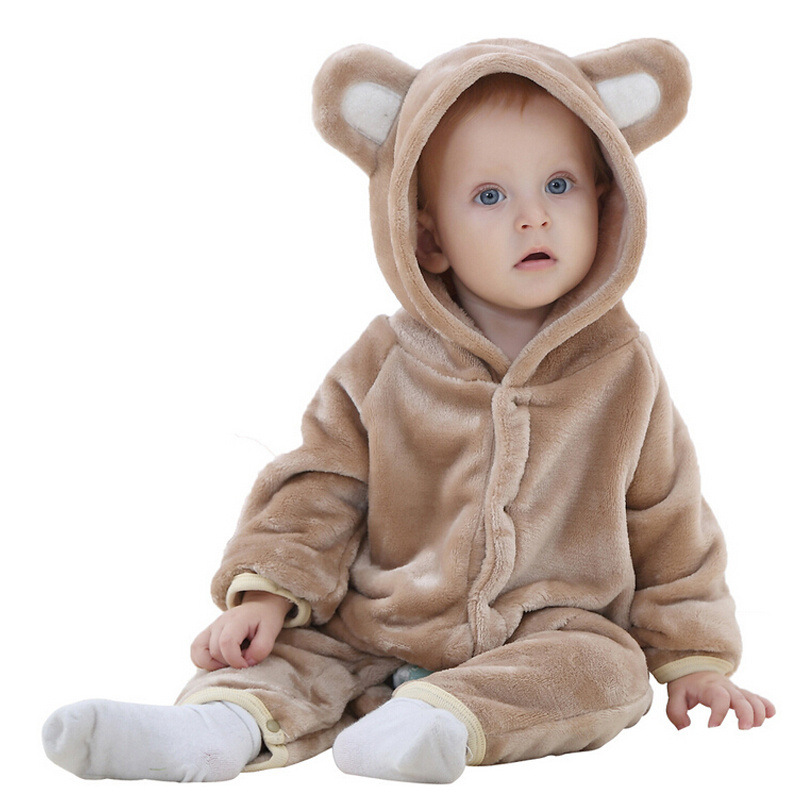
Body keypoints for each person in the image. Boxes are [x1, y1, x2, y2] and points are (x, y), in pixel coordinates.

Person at [42, 37, 775, 785]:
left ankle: (438, 720)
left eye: (560, 185)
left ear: (605, 199)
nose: (534, 218)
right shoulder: (384, 361)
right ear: (427, 237)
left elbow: (669, 515)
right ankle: (213, 727)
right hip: (379, 618)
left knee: (606, 671)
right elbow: (320, 482)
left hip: (547, 631)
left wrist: (695, 657)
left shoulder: (622, 370)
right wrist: (266, 592)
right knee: (292, 655)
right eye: (490, 197)